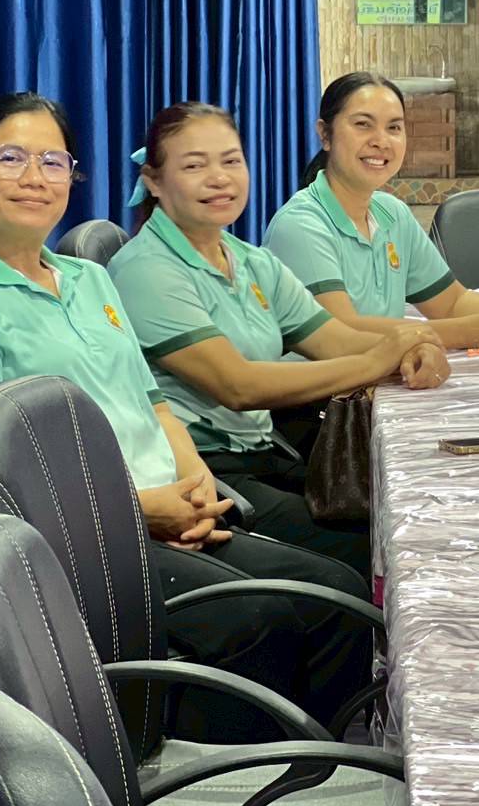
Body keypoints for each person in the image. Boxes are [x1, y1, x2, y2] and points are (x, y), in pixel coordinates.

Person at [0, 93, 372, 739]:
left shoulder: (89, 280)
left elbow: (153, 402)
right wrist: (139, 508)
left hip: (170, 508)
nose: (34, 178)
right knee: (260, 623)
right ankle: (230, 775)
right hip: (79, 539)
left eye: (53, 162)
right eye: (10, 158)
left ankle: (328, 769)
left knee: (338, 595)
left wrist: (196, 484)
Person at [108, 102, 448, 579]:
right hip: (204, 474)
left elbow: (335, 339)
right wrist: (381, 358)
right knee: (379, 546)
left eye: (231, 161)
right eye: (194, 166)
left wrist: (414, 344)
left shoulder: (250, 261)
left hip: (266, 454)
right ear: (154, 182)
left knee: (411, 512)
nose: (219, 178)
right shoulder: (146, 270)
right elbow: (239, 386)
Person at [264, 72, 479, 349]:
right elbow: (340, 333)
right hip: (321, 403)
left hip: (382, 386)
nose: (381, 141)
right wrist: (460, 333)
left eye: (394, 127)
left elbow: (451, 303)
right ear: (325, 134)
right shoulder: (301, 225)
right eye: (363, 125)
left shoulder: (392, 214)